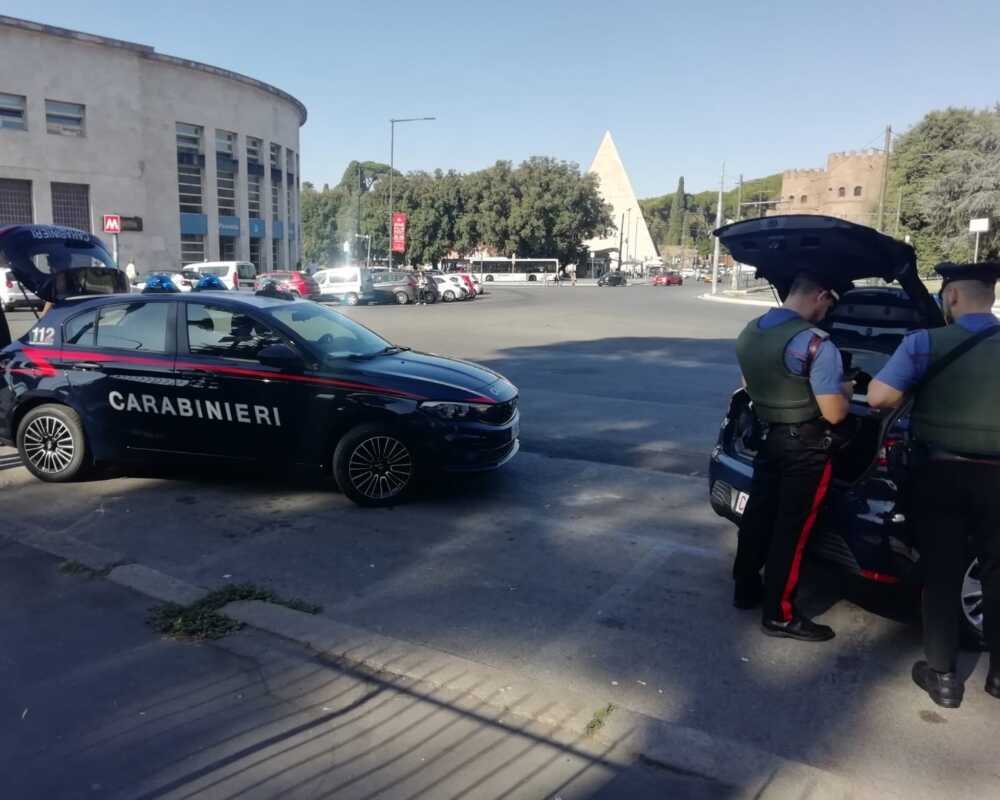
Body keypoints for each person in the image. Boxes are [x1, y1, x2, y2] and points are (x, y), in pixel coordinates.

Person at [868, 261, 1000, 709]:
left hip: (941, 474)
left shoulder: (925, 342)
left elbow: (878, 397)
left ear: (952, 297)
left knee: (942, 572)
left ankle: (942, 677)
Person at [732, 272, 853, 642]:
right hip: (806, 449)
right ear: (819, 295)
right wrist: (845, 388)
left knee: (757, 515)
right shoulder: (816, 344)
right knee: (792, 531)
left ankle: (745, 589)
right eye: (829, 304)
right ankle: (781, 615)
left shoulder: (751, 332)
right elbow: (834, 414)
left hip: (769, 438)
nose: (827, 312)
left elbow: (750, 385)